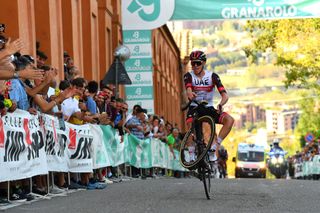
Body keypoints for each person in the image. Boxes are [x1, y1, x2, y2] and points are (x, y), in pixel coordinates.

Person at [184, 50, 234, 162]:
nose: (195, 66)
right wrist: (190, 93)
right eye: (193, 63)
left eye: (198, 63)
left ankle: (214, 146)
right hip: (195, 106)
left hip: (208, 107)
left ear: (203, 63)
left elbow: (225, 95)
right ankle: (191, 153)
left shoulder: (212, 76)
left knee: (229, 120)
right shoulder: (189, 76)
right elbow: (188, 89)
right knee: (189, 126)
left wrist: (221, 104)